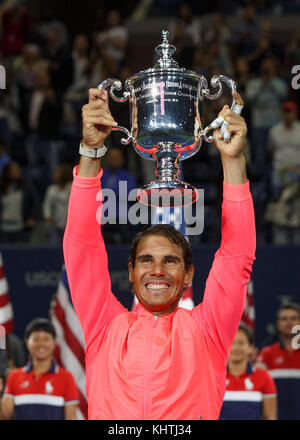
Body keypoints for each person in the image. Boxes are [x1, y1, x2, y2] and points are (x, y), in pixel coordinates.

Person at [63, 87, 256, 420]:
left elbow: (237, 256)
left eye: (171, 261)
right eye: (146, 260)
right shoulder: (105, 326)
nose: (157, 270)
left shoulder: (208, 330)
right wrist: (92, 152)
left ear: (188, 274)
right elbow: (81, 246)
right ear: (132, 271)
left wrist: (233, 161)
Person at [0, 318, 78, 420]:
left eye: (46, 339)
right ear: (27, 342)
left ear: (54, 342)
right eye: (36, 339)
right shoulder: (15, 376)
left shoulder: (67, 378)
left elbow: (71, 417)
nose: (41, 344)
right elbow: (4, 416)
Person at [219, 323, 277, 420]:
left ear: (250, 348)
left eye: (241, 343)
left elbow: (270, 417)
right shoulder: (214, 378)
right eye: (232, 342)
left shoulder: (264, 376)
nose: (236, 347)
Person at [256, 303, 300, 420]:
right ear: (277, 324)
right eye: (284, 319)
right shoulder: (266, 354)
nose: (289, 322)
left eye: (294, 318)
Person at [264, 101, 300, 244]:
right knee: (279, 203)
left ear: (295, 113)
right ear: (282, 113)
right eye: (285, 112)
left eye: (290, 112)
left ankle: (297, 237)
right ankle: (279, 235)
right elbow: (270, 151)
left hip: (298, 171)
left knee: (296, 205)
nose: (287, 115)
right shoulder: (275, 131)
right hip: (280, 172)